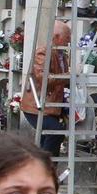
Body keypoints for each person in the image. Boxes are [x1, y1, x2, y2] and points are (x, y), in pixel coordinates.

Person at [28, 19, 72, 157]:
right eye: (67, 38)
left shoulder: (61, 55)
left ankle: (43, 170)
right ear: (56, 37)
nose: (68, 42)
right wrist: (68, 76)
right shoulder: (43, 53)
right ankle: (47, 168)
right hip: (36, 106)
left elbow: (63, 80)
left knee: (45, 139)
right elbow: (44, 78)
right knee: (55, 131)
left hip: (52, 106)